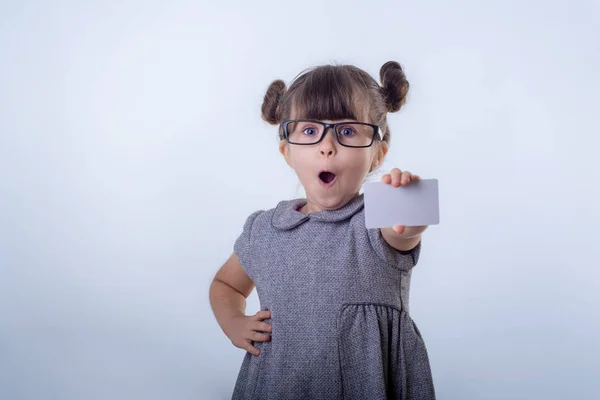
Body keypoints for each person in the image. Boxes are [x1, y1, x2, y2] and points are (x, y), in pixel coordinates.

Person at [209, 61, 436, 400]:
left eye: (347, 131)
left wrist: (406, 207)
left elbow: (403, 232)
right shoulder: (264, 230)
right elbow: (226, 284)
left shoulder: (377, 219)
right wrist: (234, 324)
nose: (327, 146)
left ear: (377, 154)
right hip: (277, 384)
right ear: (287, 151)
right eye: (310, 131)